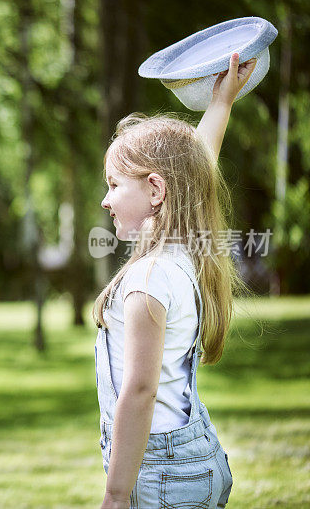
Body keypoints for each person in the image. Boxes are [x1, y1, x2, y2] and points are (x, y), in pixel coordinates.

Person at [93, 53, 256, 509]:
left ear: (156, 191)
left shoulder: (147, 279)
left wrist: (116, 493)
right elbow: (196, 167)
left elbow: (140, 391)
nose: (105, 200)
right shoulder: (183, 254)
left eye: (114, 184)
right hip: (197, 456)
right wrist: (221, 103)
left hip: (159, 473)